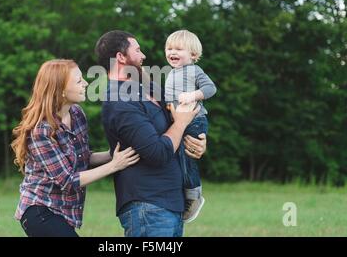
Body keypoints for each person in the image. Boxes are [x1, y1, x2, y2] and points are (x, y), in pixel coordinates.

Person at [95, 30, 208, 237]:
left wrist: (198, 140)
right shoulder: (119, 101)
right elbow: (157, 153)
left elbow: (178, 119)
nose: (143, 55)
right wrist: (181, 124)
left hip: (172, 203)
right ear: (121, 57)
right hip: (147, 206)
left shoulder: (147, 88)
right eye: (137, 50)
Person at [11, 59, 139, 237]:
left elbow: (83, 158)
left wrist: (114, 154)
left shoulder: (77, 114)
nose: (86, 83)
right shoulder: (41, 130)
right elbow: (68, 181)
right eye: (79, 81)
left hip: (64, 213)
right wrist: (114, 165)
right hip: (40, 210)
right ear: (61, 90)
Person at [164, 29, 217, 223]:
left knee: (187, 158)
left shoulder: (194, 71)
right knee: (176, 158)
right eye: (169, 48)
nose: (172, 52)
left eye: (178, 49)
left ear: (193, 55)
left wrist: (192, 95)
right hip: (179, 121)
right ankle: (182, 193)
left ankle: (194, 196)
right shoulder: (171, 72)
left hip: (194, 119)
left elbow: (211, 88)